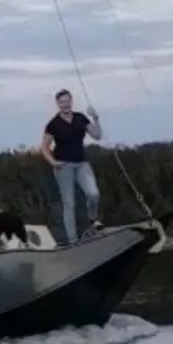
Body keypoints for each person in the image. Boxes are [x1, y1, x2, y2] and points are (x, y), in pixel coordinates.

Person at [40, 89, 103, 245]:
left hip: (82, 163)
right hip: (64, 167)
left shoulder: (80, 118)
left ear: (71, 101)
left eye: (67, 101)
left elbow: (97, 135)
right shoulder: (53, 124)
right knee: (69, 203)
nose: (65, 104)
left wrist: (96, 119)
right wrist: (53, 163)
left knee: (93, 194)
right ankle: (73, 240)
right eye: (62, 102)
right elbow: (43, 147)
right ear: (58, 104)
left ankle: (93, 221)